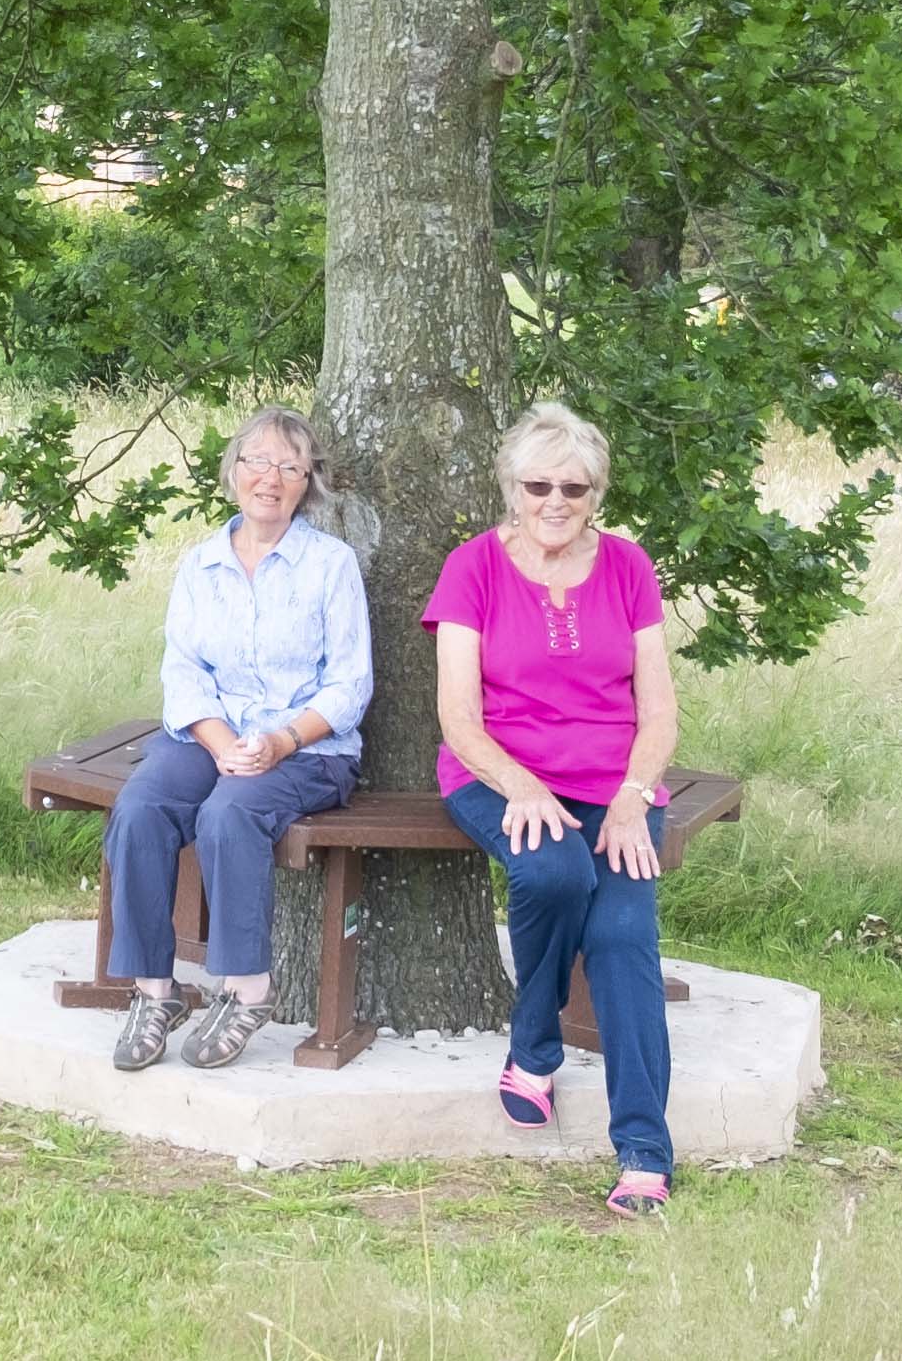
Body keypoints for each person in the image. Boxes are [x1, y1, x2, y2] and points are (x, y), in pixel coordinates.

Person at [428, 401, 681, 1216]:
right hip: (495, 775)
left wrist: (633, 799)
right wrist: (523, 785)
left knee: (621, 935)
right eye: (538, 484)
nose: (555, 501)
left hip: (617, 786)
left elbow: (660, 710)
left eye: (574, 487)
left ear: (596, 492)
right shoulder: (472, 567)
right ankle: (536, 1041)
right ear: (512, 486)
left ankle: (643, 1146)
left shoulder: (629, 568)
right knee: (555, 874)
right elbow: (459, 718)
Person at [106, 409, 371, 1072]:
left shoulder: (330, 565)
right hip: (208, 736)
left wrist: (280, 742)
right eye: (257, 462)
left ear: (307, 482)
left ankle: (248, 991)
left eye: (289, 466)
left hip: (310, 750)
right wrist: (220, 740)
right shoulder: (201, 565)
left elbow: (349, 685)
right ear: (233, 474)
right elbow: (183, 668)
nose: (270, 478)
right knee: (140, 809)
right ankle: (154, 992)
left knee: (230, 813)